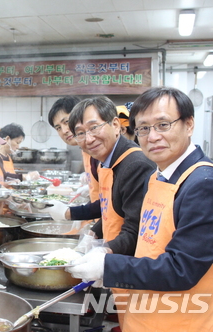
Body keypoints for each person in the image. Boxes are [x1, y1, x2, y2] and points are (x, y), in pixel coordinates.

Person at [67, 87, 213, 331]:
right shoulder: (157, 177)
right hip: (146, 313)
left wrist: (108, 266)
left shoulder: (204, 184)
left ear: (188, 125)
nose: (152, 136)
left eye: (163, 125)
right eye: (144, 128)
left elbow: (182, 269)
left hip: (183, 321)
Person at [42, 96, 156, 330]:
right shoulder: (107, 160)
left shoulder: (134, 163)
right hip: (119, 257)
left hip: (131, 264)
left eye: (94, 128)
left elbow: (136, 229)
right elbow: (110, 207)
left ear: (115, 125)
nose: (88, 138)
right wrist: (93, 234)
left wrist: (104, 252)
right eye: (80, 132)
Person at [48, 96, 99, 203]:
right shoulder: (85, 150)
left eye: (66, 122)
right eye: (58, 128)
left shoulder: (98, 150)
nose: (64, 131)